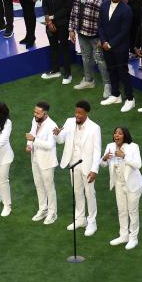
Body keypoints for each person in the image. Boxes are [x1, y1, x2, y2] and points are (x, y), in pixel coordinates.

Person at [55, 100, 101, 236]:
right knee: (77, 192)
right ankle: (80, 219)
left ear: (87, 113)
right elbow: (61, 140)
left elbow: (97, 151)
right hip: (73, 164)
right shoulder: (69, 122)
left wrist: (94, 170)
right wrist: (57, 134)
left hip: (87, 166)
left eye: (80, 113)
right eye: (76, 112)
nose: (77, 115)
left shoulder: (95, 128)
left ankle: (92, 222)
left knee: (90, 194)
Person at [69, 0, 111, 96]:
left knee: (101, 60)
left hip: (96, 35)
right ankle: (88, 80)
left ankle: (108, 85)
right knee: (86, 58)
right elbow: (74, 10)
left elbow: (108, 17)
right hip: (81, 32)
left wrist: (103, 38)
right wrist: (71, 29)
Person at [100, 127, 142, 250]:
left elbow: (138, 164)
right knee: (122, 210)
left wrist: (124, 156)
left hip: (133, 184)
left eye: (119, 133)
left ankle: (133, 238)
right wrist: (104, 158)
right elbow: (102, 164)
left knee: (132, 211)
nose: (116, 135)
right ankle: (124, 235)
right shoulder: (110, 146)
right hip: (119, 183)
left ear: (125, 136)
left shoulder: (133, 147)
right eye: (115, 133)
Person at [99, 0, 135, 111]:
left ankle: (130, 99)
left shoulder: (126, 10)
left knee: (123, 72)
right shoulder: (104, 5)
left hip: (120, 48)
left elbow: (124, 31)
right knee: (111, 70)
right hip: (106, 46)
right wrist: (104, 41)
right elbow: (100, 25)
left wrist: (110, 44)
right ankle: (115, 95)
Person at [40, 0, 75, 84]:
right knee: (53, 47)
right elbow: (44, 3)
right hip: (49, 23)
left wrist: (52, 18)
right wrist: (48, 19)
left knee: (64, 48)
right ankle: (55, 70)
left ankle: (68, 74)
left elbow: (67, 9)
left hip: (63, 24)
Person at [25, 101, 58, 225]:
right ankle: (43, 209)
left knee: (49, 187)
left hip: (47, 161)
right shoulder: (35, 120)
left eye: (38, 113)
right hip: (35, 158)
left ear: (45, 113)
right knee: (38, 185)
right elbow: (31, 133)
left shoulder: (52, 125)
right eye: (34, 112)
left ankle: (52, 213)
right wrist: (29, 144)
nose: (35, 114)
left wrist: (34, 140)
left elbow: (50, 145)